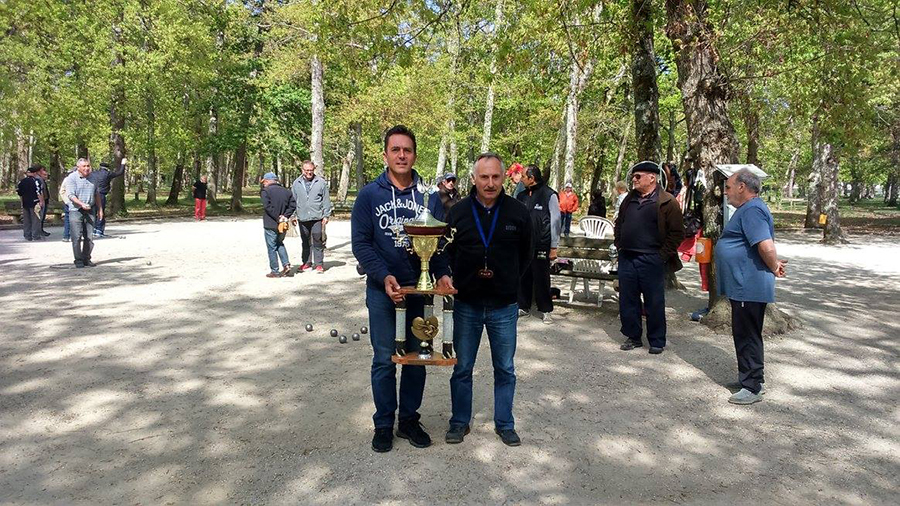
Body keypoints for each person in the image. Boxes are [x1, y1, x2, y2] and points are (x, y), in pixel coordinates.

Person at [351, 124, 449, 453]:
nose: (402, 155)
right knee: (383, 359)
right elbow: (361, 244)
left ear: (415, 155)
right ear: (386, 155)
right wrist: (382, 275)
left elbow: (437, 244)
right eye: (396, 150)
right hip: (382, 292)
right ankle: (383, 424)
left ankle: (408, 420)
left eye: (407, 150)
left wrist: (443, 274)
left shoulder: (429, 196)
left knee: (417, 357)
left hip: (418, 291)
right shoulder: (369, 195)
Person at [443, 152, 532, 447]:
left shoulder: (518, 212)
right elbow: (446, 251)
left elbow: (528, 253)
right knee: (463, 366)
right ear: (474, 179)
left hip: (504, 305)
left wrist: (510, 280)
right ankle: (459, 422)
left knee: (505, 368)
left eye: (495, 177)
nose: (490, 183)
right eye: (484, 177)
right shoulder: (458, 212)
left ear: (503, 177)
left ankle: (505, 423)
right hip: (467, 303)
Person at [715, 169, 786, 405]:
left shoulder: (753, 210)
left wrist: (774, 263)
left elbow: (764, 245)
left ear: (742, 187)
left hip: (748, 284)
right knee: (746, 332)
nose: (725, 193)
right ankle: (751, 377)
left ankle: (752, 386)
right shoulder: (750, 209)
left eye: (728, 187)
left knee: (747, 334)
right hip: (744, 284)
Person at [614, 161, 684, 354]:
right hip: (627, 257)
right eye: (633, 176)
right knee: (628, 300)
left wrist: (661, 256)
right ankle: (633, 336)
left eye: (638, 176)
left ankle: (656, 340)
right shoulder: (629, 199)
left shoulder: (667, 201)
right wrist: (619, 244)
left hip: (652, 259)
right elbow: (619, 223)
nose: (634, 180)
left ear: (652, 177)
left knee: (654, 301)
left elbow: (677, 233)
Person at [516, 165, 560, 324]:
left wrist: (553, 247)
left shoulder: (549, 195)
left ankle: (546, 309)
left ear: (531, 178)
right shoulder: (521, 196)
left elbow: (556, 222)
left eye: (523, 176)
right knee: (523, 276)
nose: (521, 179)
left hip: (542, 244)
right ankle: (523, 306)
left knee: (541, 277)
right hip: (523, 245)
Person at [291, 160, 333, 273]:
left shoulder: (321, 182)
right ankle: (306, 262)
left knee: (317, 239)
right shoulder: (296, 183)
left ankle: (319, 264)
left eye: (311, 170)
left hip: (317, 217)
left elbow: (326, 200)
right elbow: (293, 200)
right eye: (307, 170)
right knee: (305, 241)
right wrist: (293, 215)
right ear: (302, 170)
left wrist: (326, 215)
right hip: (302, 216)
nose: (309, 172)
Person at [63, 158, 102, 267]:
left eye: (88, 166)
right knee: (76, 236)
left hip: (90, 209)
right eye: (84, 166)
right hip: (76, 210)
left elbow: (97, 194)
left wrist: (100, 209)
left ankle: (86, 258)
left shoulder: (94, 177)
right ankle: (78, 260)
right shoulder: (71, 178)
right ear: (78, 167)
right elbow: (70, 195)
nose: (86, 168)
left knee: (89, 236)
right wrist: (81, 204)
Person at [260, 172, 295, 278]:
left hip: (271, 223)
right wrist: (285, 216)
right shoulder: (287, 192)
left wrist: (277, 217)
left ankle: (274, 271)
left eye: (264, 182)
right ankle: (286, 264)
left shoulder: (265, 191)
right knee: (280, 243)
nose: (264, 184)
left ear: (267, 181)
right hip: (283, 223)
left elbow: (267, 206)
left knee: (272, 247)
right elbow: (293, 205)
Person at [87, 158, 126, 238]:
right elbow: (120, 172)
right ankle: (99, 230)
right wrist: (123, 164)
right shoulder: (108, 174)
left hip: (92, 194)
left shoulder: (94, 173)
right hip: (101, 195)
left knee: (93, 212)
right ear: (107, 168)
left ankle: (93, 229)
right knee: (101, 212)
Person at [16, 166, 43, 241]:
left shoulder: (22, 181)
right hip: (35, 202)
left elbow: (19, 192)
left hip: (25, 202)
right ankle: (35, 235)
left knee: (26, 220)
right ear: (34, 173)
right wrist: (41, 201)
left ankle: (27, 235)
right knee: (36, 219)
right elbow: (38, 192)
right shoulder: (36, 181)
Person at [36, 166, 52, 237]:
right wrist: (41, 200)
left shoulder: (42, 180)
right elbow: (40, 191)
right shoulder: (38, 180)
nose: (46, 176)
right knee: (40, 216)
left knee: (42, 216)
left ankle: (41, 229)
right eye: (44, 174)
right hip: (41, 200)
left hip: (45, 200)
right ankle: (39, 230)